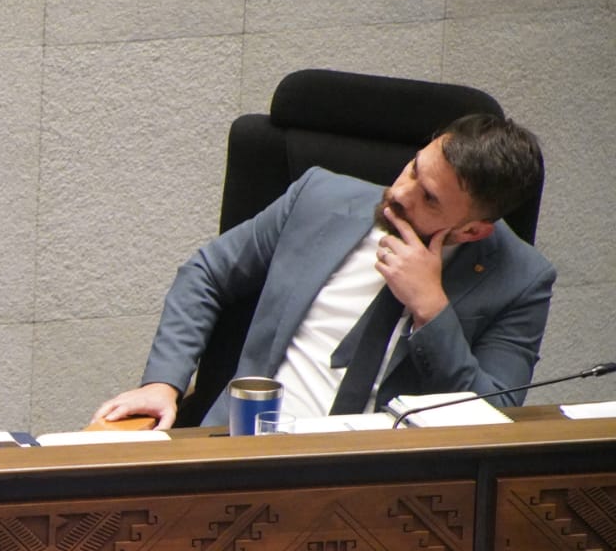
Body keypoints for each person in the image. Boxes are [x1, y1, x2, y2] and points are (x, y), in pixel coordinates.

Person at [93, 113, 553, 429]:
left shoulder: (521, 280)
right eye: (414, 168)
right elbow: (206, 273)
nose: (400, 192)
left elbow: (494, 416)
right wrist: (163, 383)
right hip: (246, 448)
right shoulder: (319, 197)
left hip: (384, 486)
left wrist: (432, 311)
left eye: (429, 198)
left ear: (473, 230)